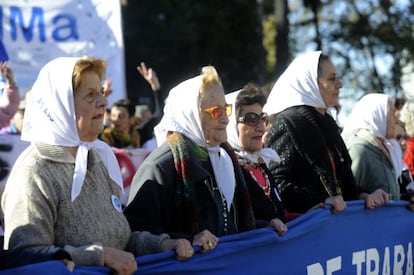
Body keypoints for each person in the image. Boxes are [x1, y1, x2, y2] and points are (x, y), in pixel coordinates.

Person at [1, 56, 194, 274]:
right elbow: (28, 259)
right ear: (61, 105)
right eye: (91, 95)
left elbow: (120, 239)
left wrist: (163, 245)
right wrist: (99, 256)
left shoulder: (96, 161)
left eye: (101, 93)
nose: (103, 102)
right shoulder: (34, 172)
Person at [124, 66, 256, 252]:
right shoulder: (160, 166)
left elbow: (234, 220)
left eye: (225, 109)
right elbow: (135, 233)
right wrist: (187, 240)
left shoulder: (225, 158)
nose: (226, 120)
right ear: (190, 115)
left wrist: (268, 226)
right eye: (215, 112)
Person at [263, 50, 389, 214]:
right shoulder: (288, 124)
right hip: (309, 231)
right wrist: (320, 202)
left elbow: (341, 184)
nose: (340, 84)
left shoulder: (328, 123)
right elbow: (276, 183)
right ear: (311, 84)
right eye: (331, 79)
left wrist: (364, 195)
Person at [225, 83, 288, 233]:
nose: (261, 127)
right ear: (232, 125)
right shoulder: (226, 168)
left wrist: (314, 213)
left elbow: (281, 219)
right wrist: (265, 227)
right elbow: (232, 226)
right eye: (251, 119)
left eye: (262, 118)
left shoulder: (261, 165)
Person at [342, 93, 407, 201]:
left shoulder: (385, 149)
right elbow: (349, 197)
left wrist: (406, 198)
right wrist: (365, 197)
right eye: (391, 114)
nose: (396, 121)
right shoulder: (360, 150)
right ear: (378, 115)